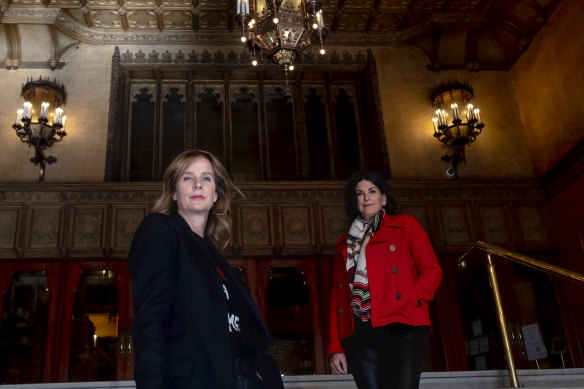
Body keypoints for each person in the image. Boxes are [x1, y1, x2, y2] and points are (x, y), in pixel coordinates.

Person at [128, 149, 284, 389]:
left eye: (207, 178)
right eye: (187, 177)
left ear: (215, 195)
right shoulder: (160, 230)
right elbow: (151, 319)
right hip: (194, 380)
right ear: (173, 194)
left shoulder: (213, 256)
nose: (198, 184)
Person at [328, 172, 443, 389]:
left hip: (401, 326)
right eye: (359, 193)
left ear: (384, 199)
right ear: (355, 201)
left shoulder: (405, 225)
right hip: (359, 332)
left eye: (372, 191)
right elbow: (338, 297)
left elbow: (432, 270)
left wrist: (410, 299)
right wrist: (336, 347)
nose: (366, 197)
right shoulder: (344, 244)